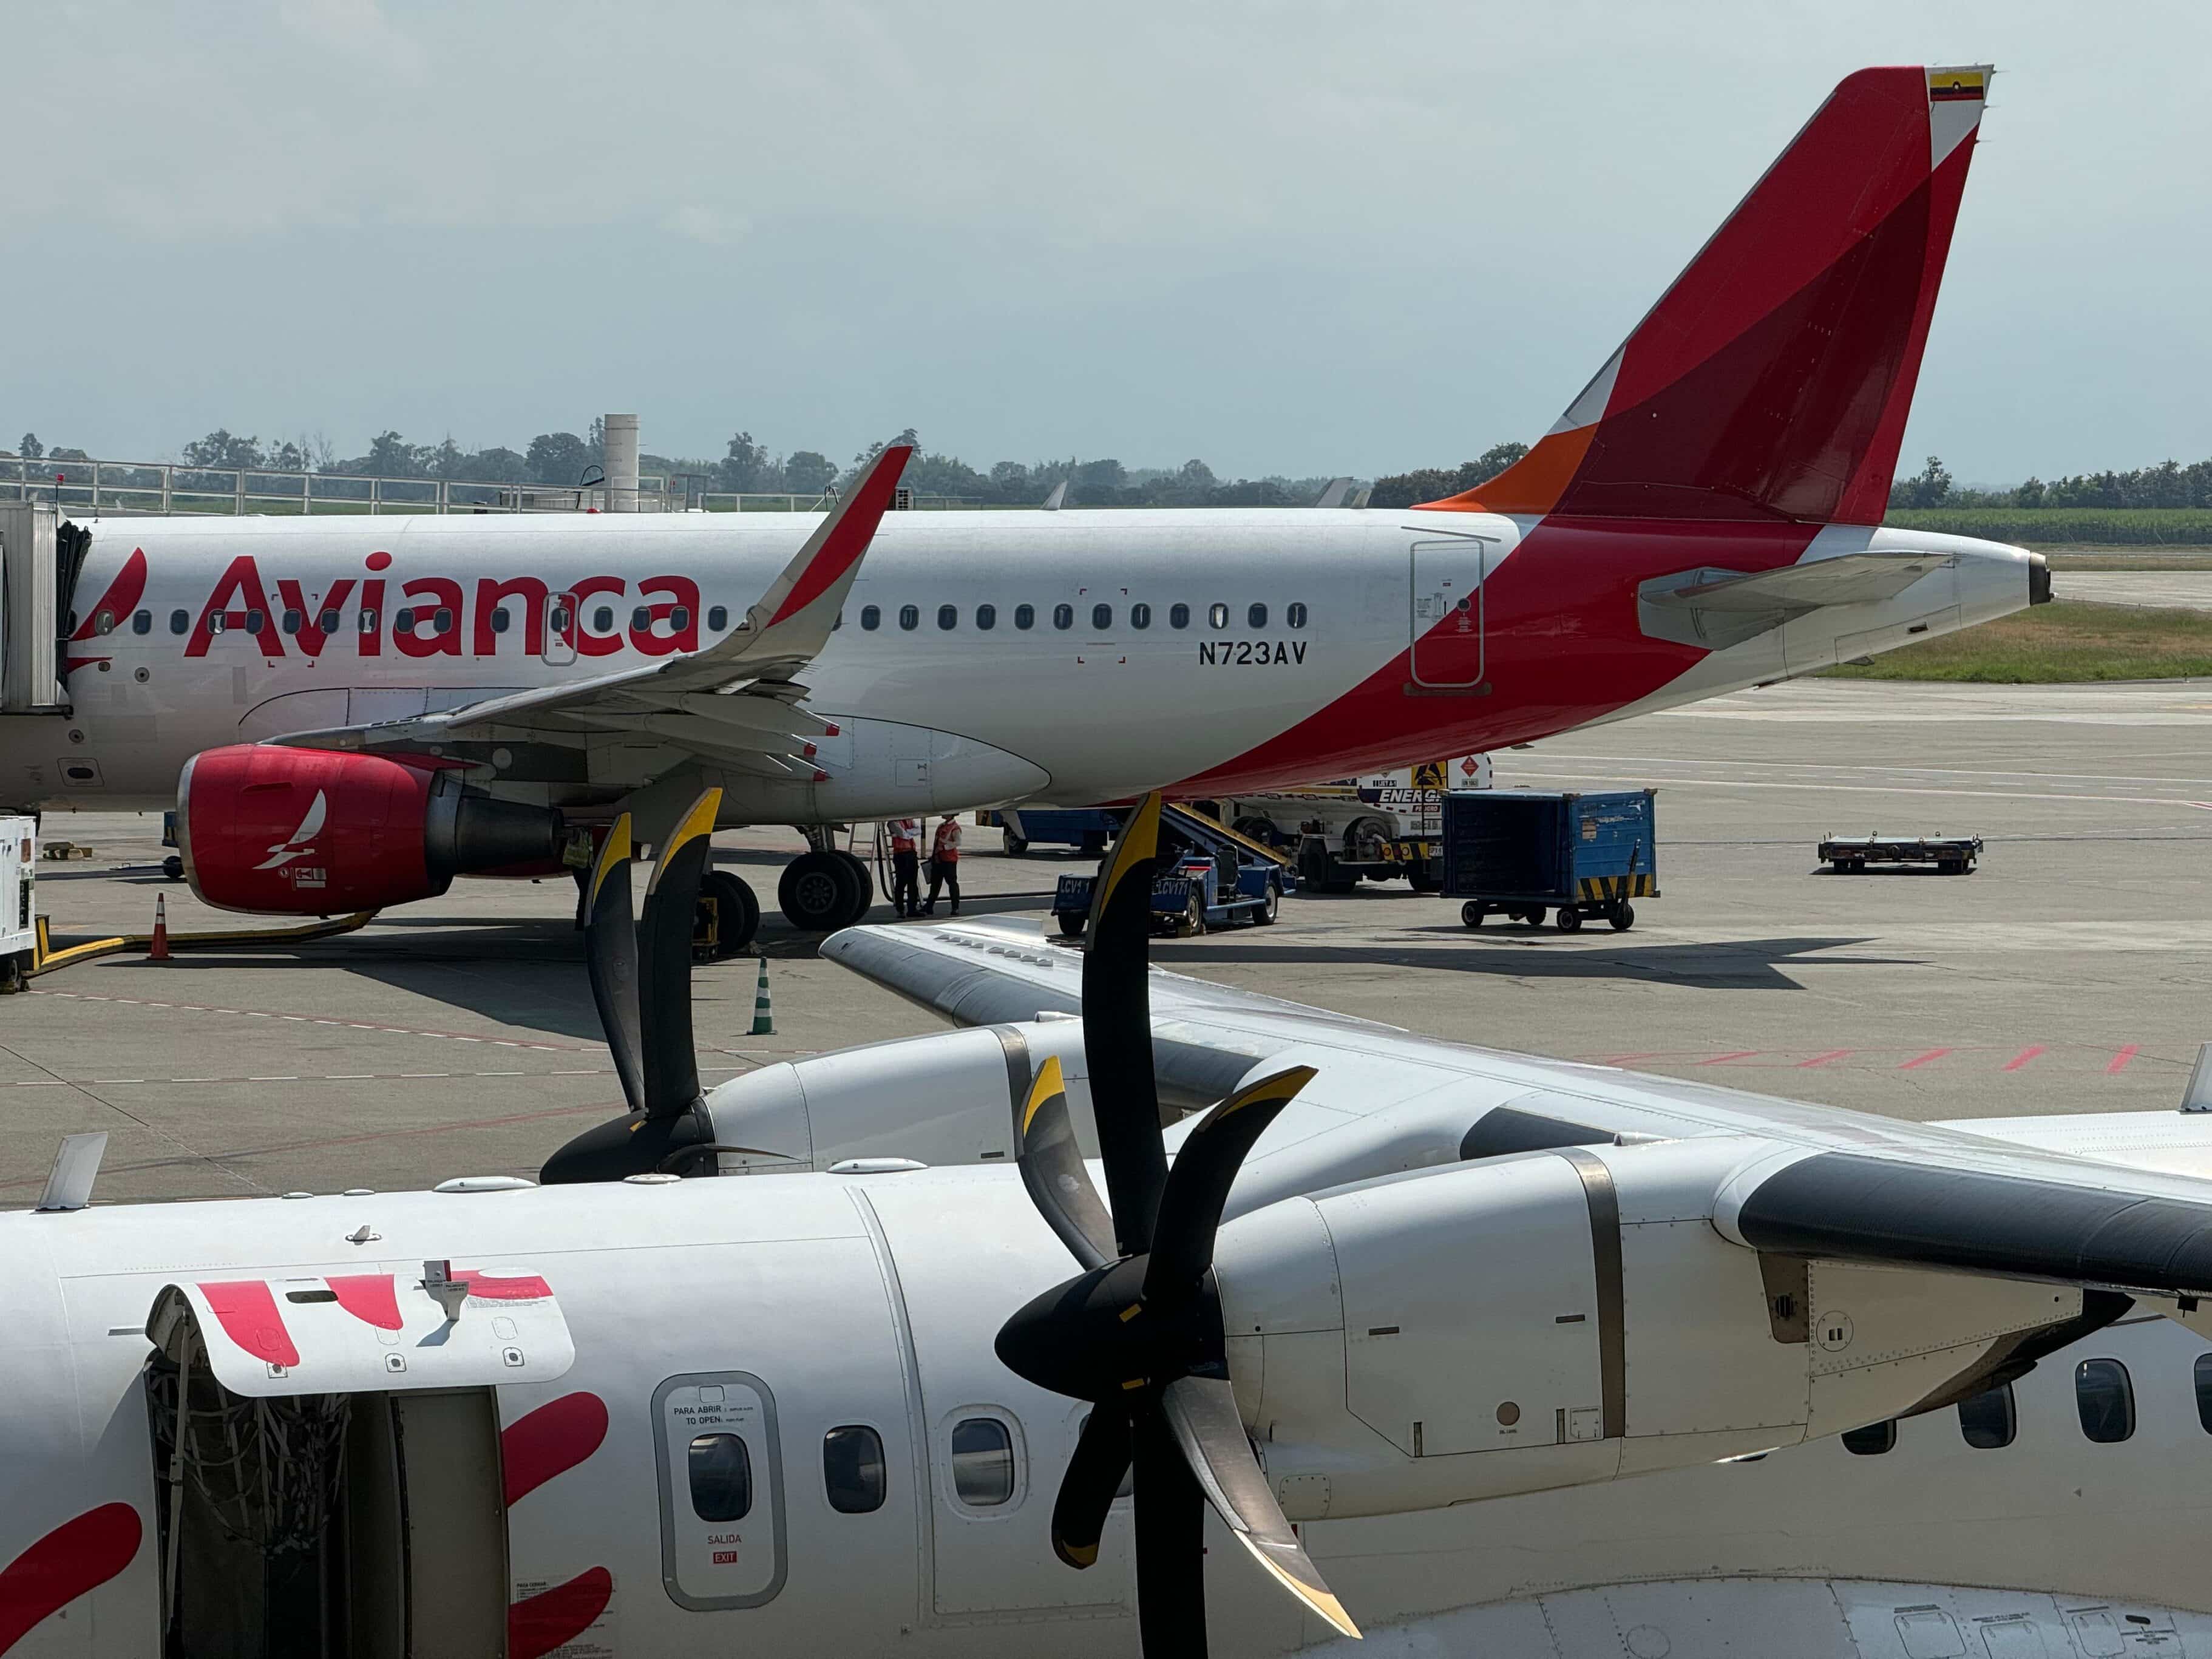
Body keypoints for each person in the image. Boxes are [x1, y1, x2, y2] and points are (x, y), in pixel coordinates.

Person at [921, 812, 962, 915]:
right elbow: (936, 842)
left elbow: (958, 842)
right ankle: (929, 906)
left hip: (949, 860)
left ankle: (955, 907)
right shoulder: (941, 826)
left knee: (952, 883)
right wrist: (934, 855)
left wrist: (944, 847)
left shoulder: (955, 828)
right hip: (938, 859)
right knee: (935, 884)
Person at [888, 817, 922, 917]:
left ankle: (912, 909)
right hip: (901, 855)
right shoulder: (893, 822)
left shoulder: (909, 820)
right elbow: (903, 835)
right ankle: (900, 910)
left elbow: (918, 831)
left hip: (911, 853)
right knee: (901, 883)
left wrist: (907, 833)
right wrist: (910, 833)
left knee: (913, 883)